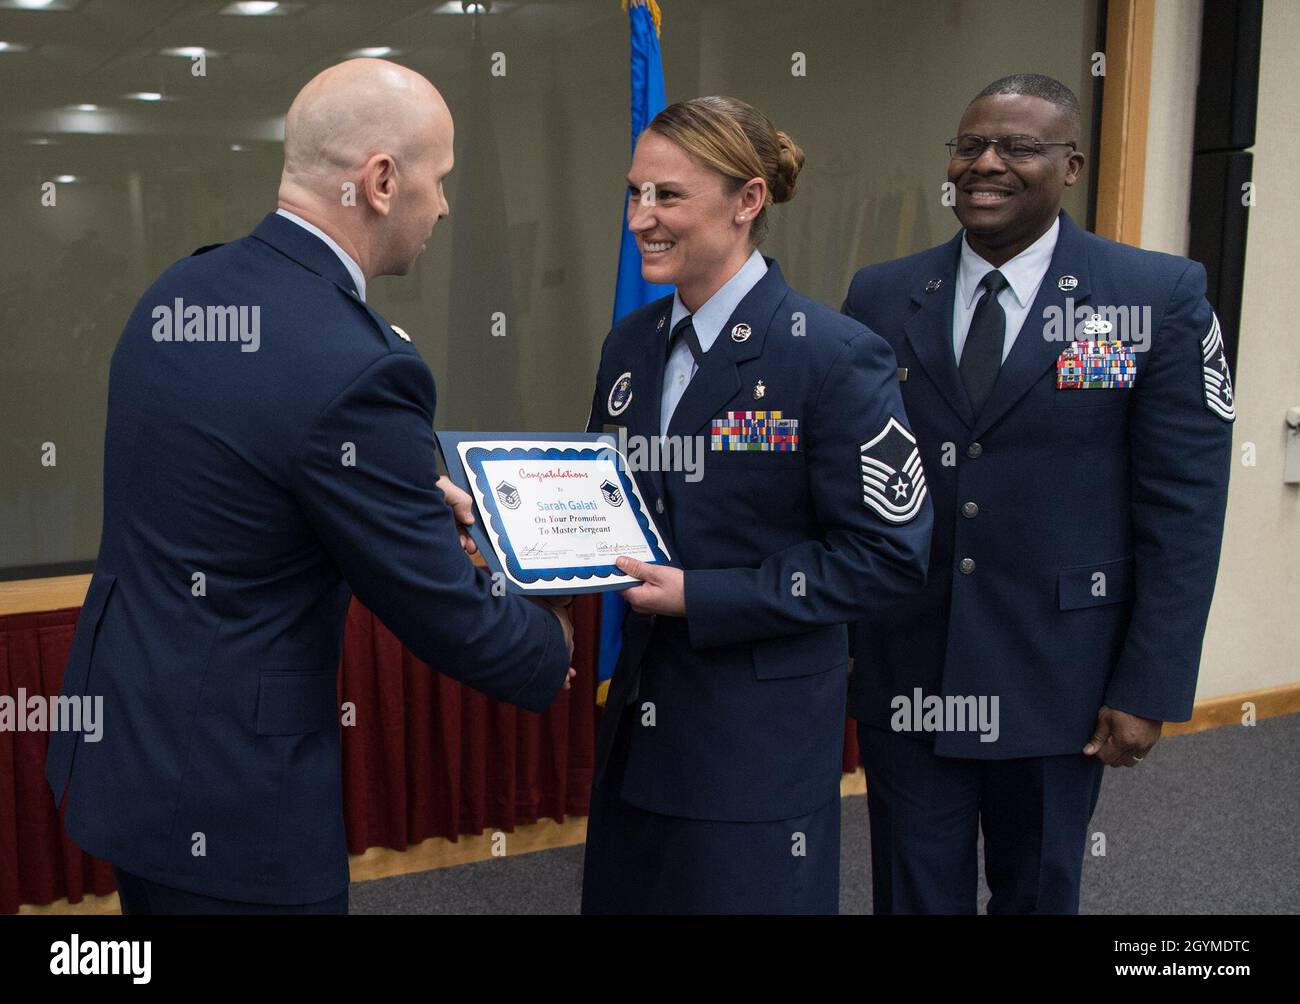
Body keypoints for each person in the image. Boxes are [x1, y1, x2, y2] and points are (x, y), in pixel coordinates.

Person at [43, 59, 574, 915]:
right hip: (235, 804)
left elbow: (233, 491)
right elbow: (452, 619)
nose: (444, 207)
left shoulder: (179, 292)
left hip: (128, 757)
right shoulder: (357, 364)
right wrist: (556, 625)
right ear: (382, 180)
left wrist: (391, 496)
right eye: (440, 181)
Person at [842, 73, 1235, 914]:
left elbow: (1185, 510)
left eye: (1018, 146)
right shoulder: (880, 295)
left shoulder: (1153, 297)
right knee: (910, 892)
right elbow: (853, 478)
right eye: (969, 144)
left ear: (1073, 164)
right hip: (911, 664)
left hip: (1061, 675)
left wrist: (1149, 684)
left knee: (1039, 891)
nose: (985, 163)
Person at [581, 96, 932, 914]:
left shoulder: (836, 357)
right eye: (635, 193)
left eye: (668, 196)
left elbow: (887, 556)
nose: (641, 218)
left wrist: (702, 595)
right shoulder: (631, 344)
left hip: (752, 740)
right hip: (637, 721)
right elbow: (610, 493)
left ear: (747, 201)